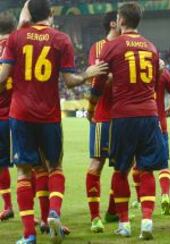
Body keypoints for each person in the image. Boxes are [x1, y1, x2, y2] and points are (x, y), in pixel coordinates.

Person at [0, 0, 108, 243]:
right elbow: (70, 81)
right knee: (54, 167)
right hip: (48, 114)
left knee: (24, 172)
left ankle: (28, 235)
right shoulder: (61, 39)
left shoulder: (16, 38)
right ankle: (53, 212)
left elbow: (2, 78)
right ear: (50, 14)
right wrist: (87, 74)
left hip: (19, 114)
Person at [89, 2, 167, 240]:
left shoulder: (112, 46)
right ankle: (146, 221)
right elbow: (156, 81)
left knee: (120, 170)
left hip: (123, 116)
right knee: (146, 170)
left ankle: (124, 223)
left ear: (121, 20)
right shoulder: (151, 47)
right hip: (149, 114)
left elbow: (99, 83)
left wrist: (91, 107)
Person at [132, 67, 170, 216]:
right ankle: (165, 195)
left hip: (139, 123)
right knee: (164, 164)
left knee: (139, 165)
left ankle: (140, 199)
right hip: (160, 124)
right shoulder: (162, 72)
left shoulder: (133, 70)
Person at [85, 11, 120, 233]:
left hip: (125, 117)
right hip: (103, 113)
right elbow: (94, 78)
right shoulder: (98, 48)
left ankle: (111, 212)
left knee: (122, 167)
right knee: (97, 164)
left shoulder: (130, 45)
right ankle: (95, 216)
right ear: (113, 22)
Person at [0, 13, 16, 222]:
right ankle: (36, 214)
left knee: (1, 164)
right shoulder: (18, 46)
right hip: (22, 113)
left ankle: (8, 205)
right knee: (30, 165)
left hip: (0, 116)